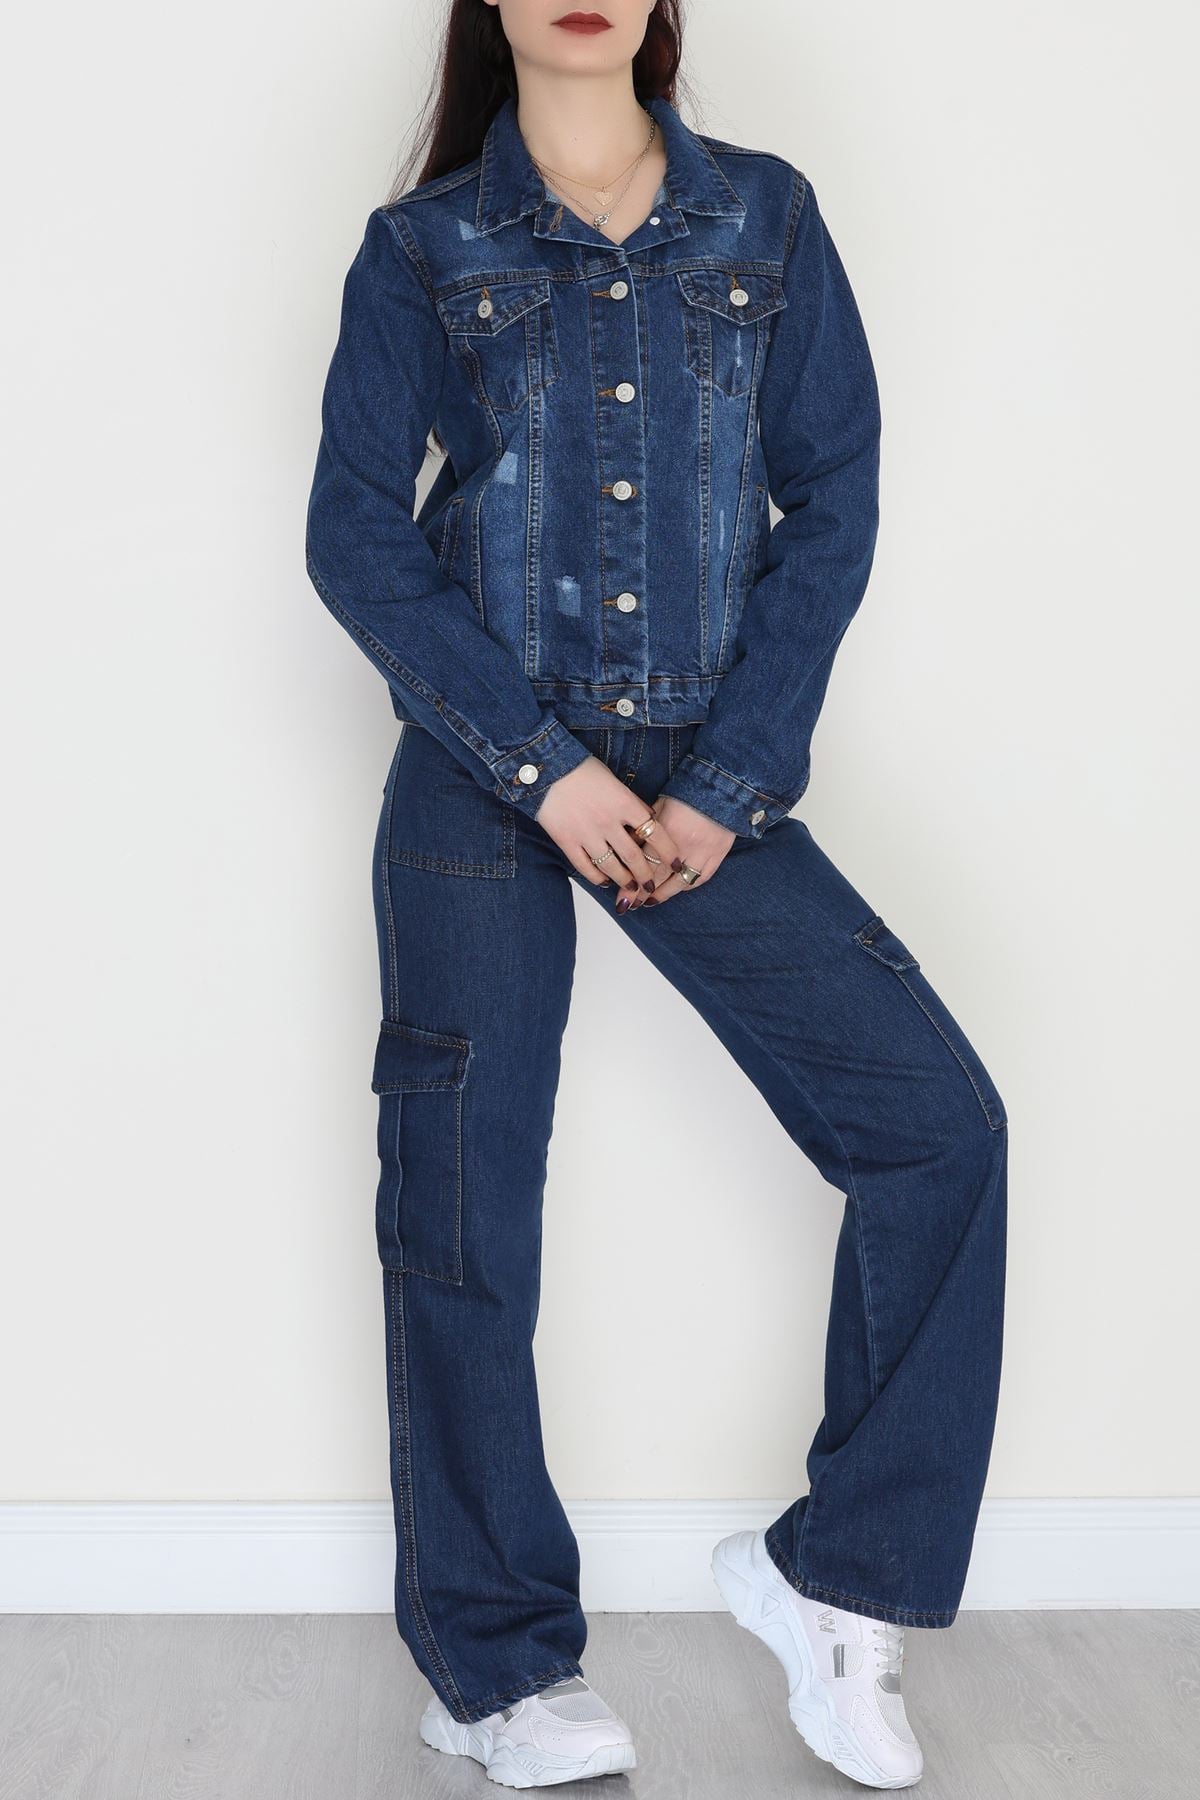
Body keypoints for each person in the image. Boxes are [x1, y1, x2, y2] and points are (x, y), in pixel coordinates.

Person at [304, 1, 1008, 1789]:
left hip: (707, 775)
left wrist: (728, 780)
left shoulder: (765, 216)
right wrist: (544, 768)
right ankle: (495, 1666)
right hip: (487, 776)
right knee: (464, 1210)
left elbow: (831, 504)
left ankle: (834, 1579)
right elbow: (355, 533)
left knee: (937, 1128)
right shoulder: (422, 247)